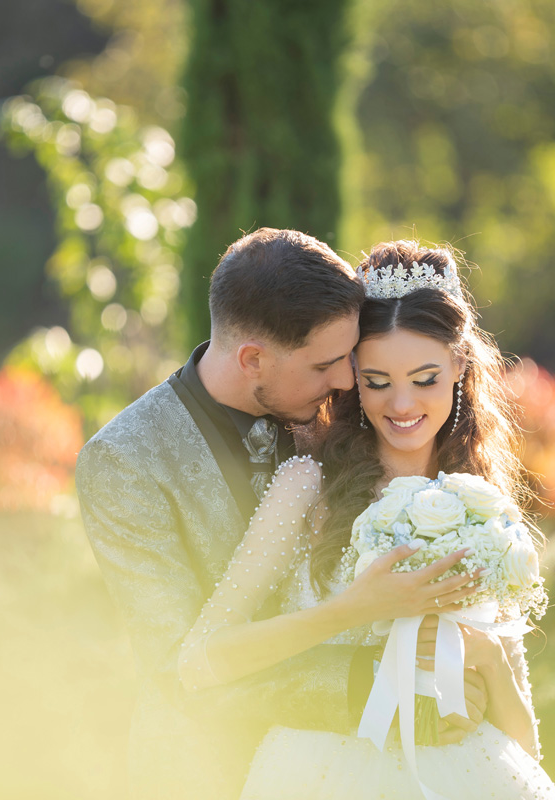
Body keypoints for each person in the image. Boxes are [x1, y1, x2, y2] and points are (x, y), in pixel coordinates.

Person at [76, 229, 488, 800]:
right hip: (208, 773)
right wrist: (371, 689)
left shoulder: (341, 418)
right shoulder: (125, 461)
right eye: (326, 365)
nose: (345, 381)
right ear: (253, 360)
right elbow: (179, 668)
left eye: (348, 359)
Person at [177, 240, 555, 799]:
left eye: (424, 378)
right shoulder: (307, 486)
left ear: (459, 365)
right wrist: (350, 611)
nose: (401, 405)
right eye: (377, 382)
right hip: (320, 776)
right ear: (352, 375)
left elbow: (524, 752)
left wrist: (490, 663)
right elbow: (200, 660)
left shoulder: (486, 506)